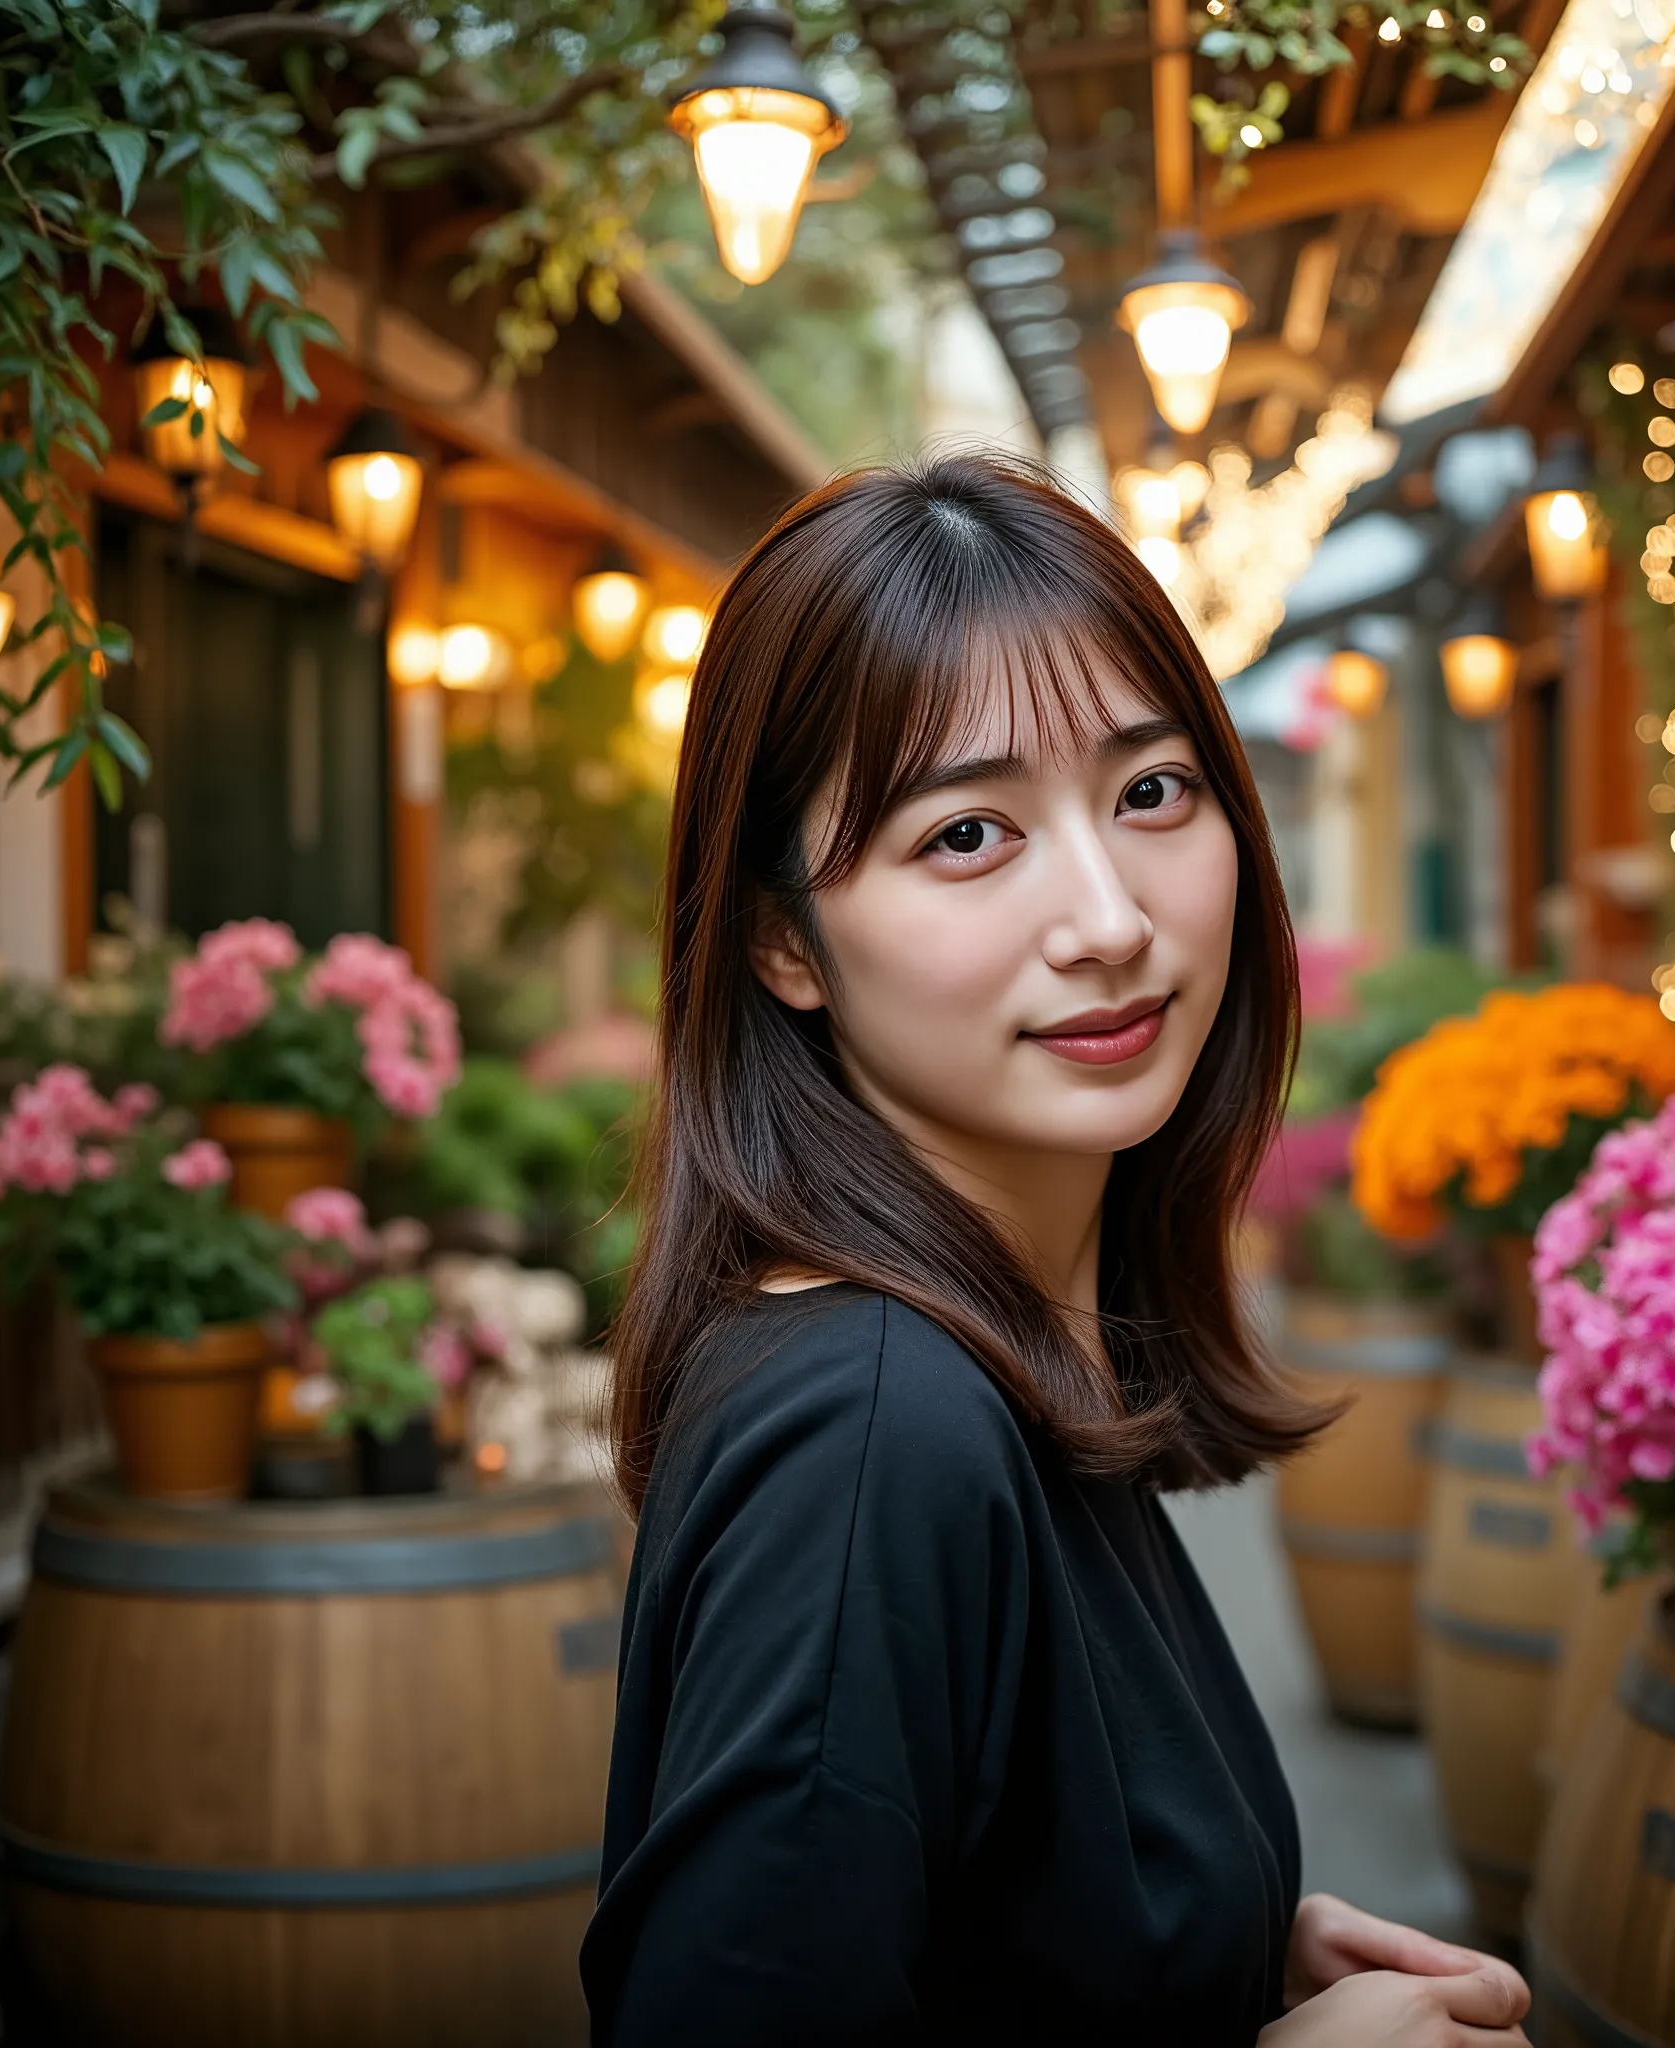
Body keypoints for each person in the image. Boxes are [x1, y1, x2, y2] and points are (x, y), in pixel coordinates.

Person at [581, 454, 1530, 2048]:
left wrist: (1216, 1949)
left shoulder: (1004, 1358)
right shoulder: (873, 1434)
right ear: (777, 941)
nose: (1107, 917)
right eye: (967, 834)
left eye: (1152, 791)